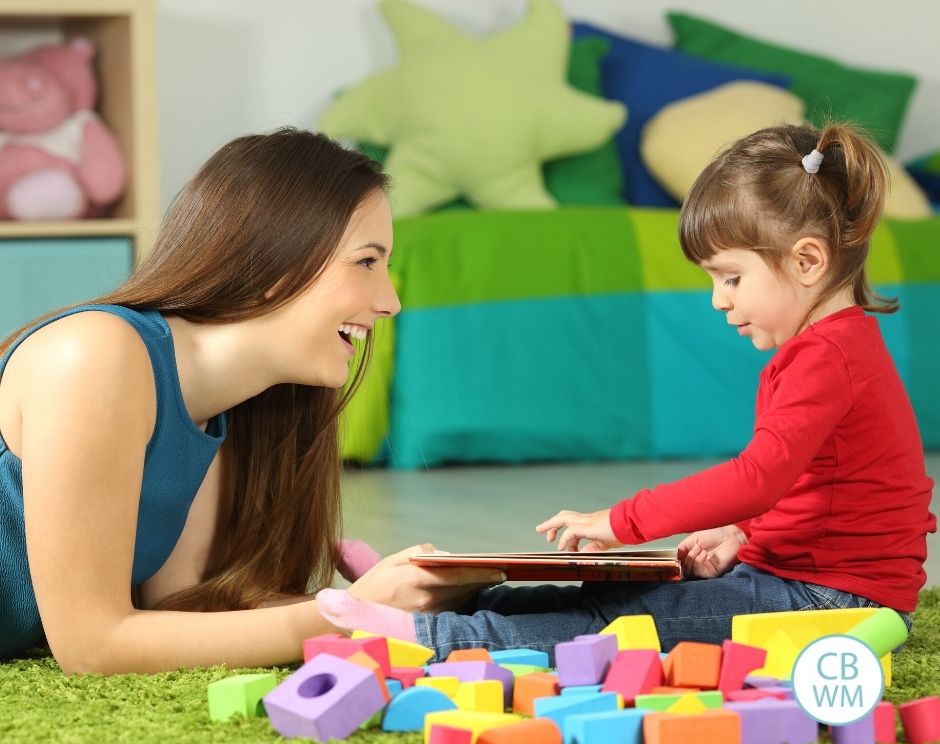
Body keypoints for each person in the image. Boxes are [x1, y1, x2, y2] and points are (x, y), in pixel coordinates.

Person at [316, 121, 936, 659]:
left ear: (807, 262)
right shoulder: (828, 349)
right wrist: (744, 535)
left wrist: (623, 521)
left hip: (835, 602)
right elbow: (822, 485)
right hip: (807, 578)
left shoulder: (827, 357)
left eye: (731, 278)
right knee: (615, 591)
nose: (719, 301)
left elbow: (759, 477)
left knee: (623, 623)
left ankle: (431, 638)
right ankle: (435, 604)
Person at [0, 128, 500, 673]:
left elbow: (183, 608)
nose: (390, 303)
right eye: (365, 262)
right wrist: (349, 614)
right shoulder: (94, 355)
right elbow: (92, 646)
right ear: (274, 263)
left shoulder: (219, 406)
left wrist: (403, 601)